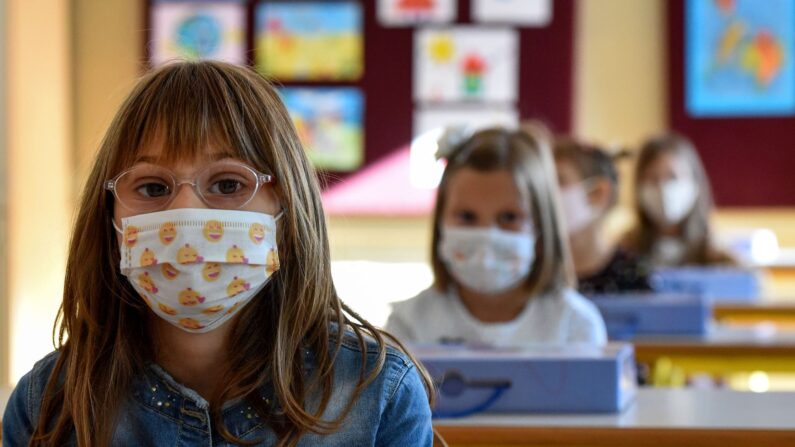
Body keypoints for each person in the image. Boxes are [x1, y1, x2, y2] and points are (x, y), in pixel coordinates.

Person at [2, 61, 433, 446]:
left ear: (286, 206)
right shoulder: (48, 405)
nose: (186, 213)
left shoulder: (378, 394)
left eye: (228, 185)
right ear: (110, 216)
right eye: (153, 188)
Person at [385, 126, 607, 346]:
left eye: (509, 217)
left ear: (541, 226)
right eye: (466, 216)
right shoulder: (408, 325)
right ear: (440, 222)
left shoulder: (575, 325)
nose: (486, 235)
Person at [554, 137, 651, 295]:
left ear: (599, 192)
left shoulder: (633, 275)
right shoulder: (536, 273)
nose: (547, 194)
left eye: (559, 181)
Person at [621, 133, 735, 267]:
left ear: (695, 182)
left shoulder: (721, 258)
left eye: (673, 177)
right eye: (653, 178)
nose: (663, 188)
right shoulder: (623, 254)